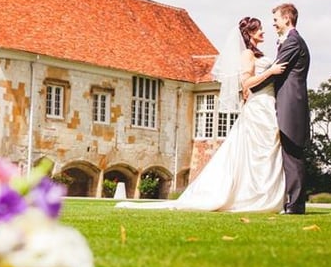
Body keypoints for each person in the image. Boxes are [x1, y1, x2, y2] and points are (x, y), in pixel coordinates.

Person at [115, 17, 287, 212]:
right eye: (258, 29)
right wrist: (271, 72)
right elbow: (245, 83)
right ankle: (255, 197)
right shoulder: (247, 54)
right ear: (249, 33)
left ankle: (260, 194)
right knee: (258, 151)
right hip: (258, 107)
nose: (263, 31)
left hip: (265, 104)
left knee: (260, 151)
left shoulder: (257, 54)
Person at [250, 3, 311, 214]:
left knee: (292, 153)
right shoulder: (291, 40)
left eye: (275, 19)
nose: (273, 24)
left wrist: (252, 87)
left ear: (287, 18)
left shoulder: (293, 41)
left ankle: (295, 205)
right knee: (288, 153)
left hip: (291, 103)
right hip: (286, 102)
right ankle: (290, 202)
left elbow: (277, 70)